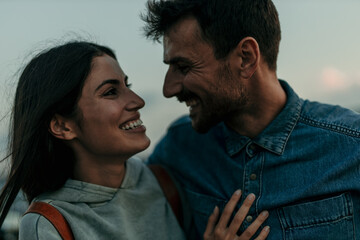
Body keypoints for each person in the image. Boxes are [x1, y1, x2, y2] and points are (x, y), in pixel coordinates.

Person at [0, 41, 270, 239]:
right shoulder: (48, 224)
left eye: (127, 85)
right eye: (110, 92)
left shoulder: (165, 184)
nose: (137, 101)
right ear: (62, 125)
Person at [142, 0, 360, 239]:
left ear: (246, 58)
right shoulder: (179, 147)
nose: (168, 88)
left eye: (183, 67)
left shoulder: (352, 146)